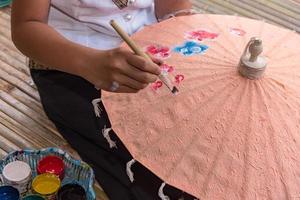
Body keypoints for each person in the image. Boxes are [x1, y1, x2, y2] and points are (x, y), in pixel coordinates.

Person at [11, 0, 196, 199]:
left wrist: (181, 35)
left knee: (199, 134)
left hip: (154, 46)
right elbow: (26, 26)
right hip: (70, 61)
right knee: (145, 166)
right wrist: (90, 64)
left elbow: (174, 8)